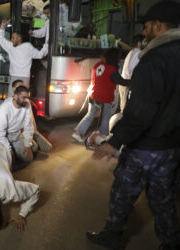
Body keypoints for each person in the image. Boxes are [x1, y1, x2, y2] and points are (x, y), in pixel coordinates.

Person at [86, 2, 180, 250]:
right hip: (172, 146)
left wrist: (114, 141)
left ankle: (113, 235)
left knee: (123, 191)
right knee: (163, 195)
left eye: (148, 26)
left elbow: (141, 109)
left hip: (145, 145)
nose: (146, 32)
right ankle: (171, 241)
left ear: (158, 26)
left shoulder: (155, 58)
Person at [72, 48, 130, 143]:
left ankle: (77, 132)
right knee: (105, 117)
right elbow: (122, 82)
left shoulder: (98, 65)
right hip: (104, 98)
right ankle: (102, 136)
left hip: (93, 94)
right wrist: (135, 81)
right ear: (115, 58)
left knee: (90, 115)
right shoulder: (112, 70)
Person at [0, 20, 48, 96]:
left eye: (13, 38)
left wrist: (46, 45)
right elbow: (0, 38)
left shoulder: (27, 47)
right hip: (15, 76)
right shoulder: (11, 46)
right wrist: (2, 27)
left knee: (21, 98)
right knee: (12, 98)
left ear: (19, 38)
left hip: (24, 78)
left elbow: (40, 55)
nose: (11, 40)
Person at [0, 85, 37, 163]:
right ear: (16, 96)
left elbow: (28, 126)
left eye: (27, 97)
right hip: (4, 136)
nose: (26, 100)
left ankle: (29, 144)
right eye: (23, 97)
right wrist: (9, 150)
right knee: (10, 161)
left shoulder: (27, 105)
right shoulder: (4, 108)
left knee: (29, 156)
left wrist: (27, 144)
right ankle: (13, 150)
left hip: (17, 135)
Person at [119, 34, 143, 112]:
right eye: (145, 42)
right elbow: (132, 69)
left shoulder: (132, 51)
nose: (146, 44)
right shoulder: (138, 53)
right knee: (126, 111)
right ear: (139, 43)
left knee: (124, 109)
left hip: (125, 83)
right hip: (127, 84)